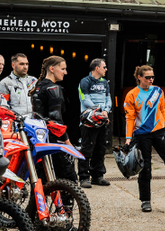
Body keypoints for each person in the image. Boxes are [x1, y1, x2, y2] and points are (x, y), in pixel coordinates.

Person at [124, 64, 165, 212]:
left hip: (160, 132)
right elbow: (130, 118)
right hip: (142, 135)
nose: (151, 80)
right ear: (139, 77)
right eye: (147, 77)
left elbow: (162, 111)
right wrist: (128, 138)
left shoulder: (158, 91)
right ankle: (145, 200)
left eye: (153, 77)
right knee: (145, 168)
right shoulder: (131, 94)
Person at [30, 56, 80, 188]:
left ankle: (38, 208)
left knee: (42, 178)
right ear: (52, 69)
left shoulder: (38, 86)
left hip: (39, 140)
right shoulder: (54, 89)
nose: (66, 72)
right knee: (69, 178)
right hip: (54, 140)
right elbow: (55, 121)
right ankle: (67, 208)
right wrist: (68, 144)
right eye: (63, 69)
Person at [77, 58, 112, 188]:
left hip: (102, 119)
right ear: (97, 68)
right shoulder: (84, 82)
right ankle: (84, 177)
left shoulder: (105, 83)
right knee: (86, 149)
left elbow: (109, 99)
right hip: (89, 120)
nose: (106, 69)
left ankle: (98, 176)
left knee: (101, 148)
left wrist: (106, 111)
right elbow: (85, 99)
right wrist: (99, 111)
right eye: (104, 67)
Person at [0, 53, 36, 118]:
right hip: (16, 122)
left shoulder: (33, 81)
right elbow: (3, 107)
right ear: (13, 65)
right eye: (22, 64)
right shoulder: (5, 83)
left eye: (27, 64)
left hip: (34, 121)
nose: (25, 67)